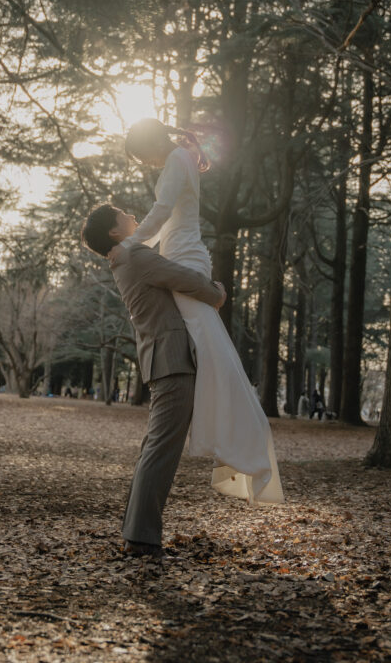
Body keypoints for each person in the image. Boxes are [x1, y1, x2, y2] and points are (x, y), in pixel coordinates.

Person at [115, 118, 284, 505]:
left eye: (142, 155)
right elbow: (165, 221)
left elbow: (160, 210)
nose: (145, 163)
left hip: (184, 260)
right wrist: (137, 247)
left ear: (152, 144)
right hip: (178, 253)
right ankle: (230, 440)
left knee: (212, 352)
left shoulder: (177, 158)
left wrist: (129, 245)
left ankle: (242, 444)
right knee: (206, 350)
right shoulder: (180, 158)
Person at [82, 203, 226, 558]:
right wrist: (216, 293)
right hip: (172, 359)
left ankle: (136, 530)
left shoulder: (125, 259)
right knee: (162, 450)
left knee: (155, 448)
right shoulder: (135, 257)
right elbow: (183, 278)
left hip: (162, 358)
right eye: (123, 214)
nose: (132, 215)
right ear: (115, 232)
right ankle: (142, 538)